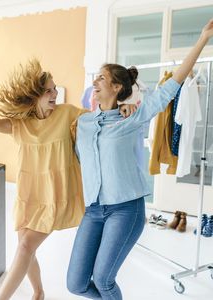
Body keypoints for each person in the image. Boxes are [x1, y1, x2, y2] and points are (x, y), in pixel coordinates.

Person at [0, 59, 133, 300]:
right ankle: (38, 292)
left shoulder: (68, 114)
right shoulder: (22, 124)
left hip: (55, 195)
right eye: (48, 90)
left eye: (54, 88)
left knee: (26, 247)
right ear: (35, 96)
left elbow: (100, 119)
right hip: (29, 195)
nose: (55, 93)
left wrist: (123, 107)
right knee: (25, 248)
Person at [67, 19, 213, 300]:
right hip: (94, 210)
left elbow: (172, 86)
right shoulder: (82, 122)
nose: (94, 82)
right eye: (95, 77)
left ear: (117, 86)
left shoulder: (133, 117)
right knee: (76, 284)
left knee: (104, 280)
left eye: (101, 78)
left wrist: (203, 39)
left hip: (125, 210)